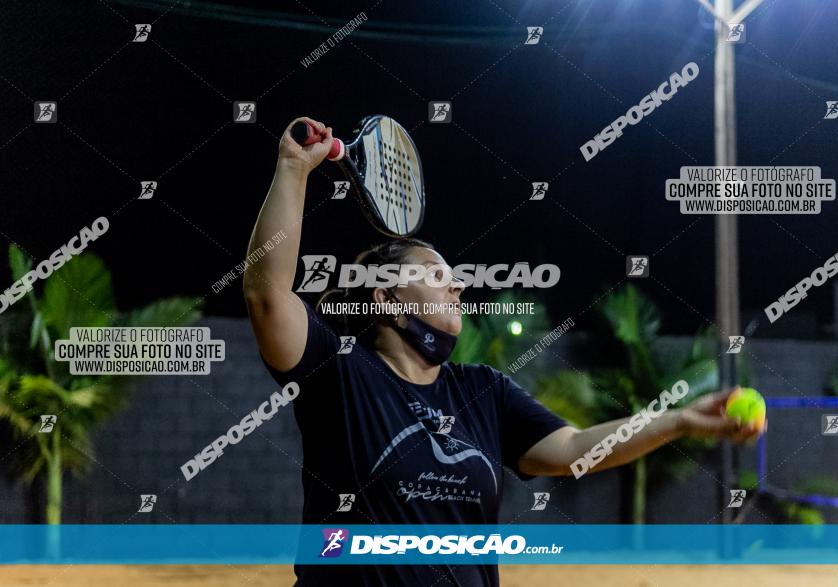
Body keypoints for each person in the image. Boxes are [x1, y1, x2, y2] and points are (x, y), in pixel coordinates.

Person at [243, 117, 765, 587]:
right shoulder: (338, 374)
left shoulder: (482, 391)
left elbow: (575, 449)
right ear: (386, 294)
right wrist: (294, 168)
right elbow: (268, 295)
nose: (457, 289)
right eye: (438, 276)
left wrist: (679, 421)